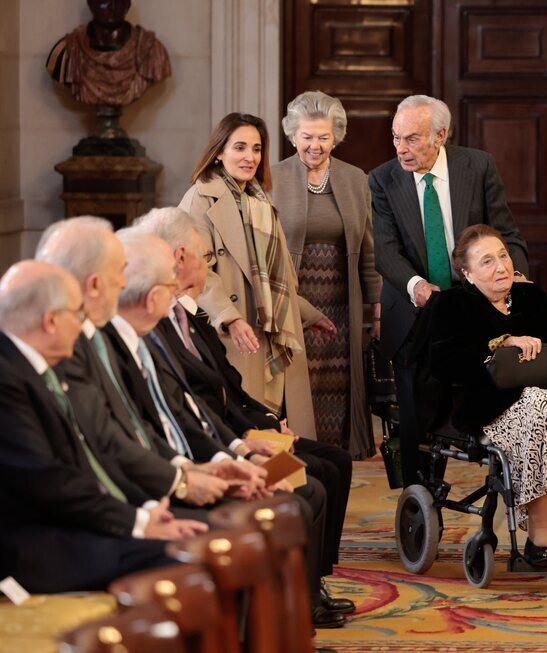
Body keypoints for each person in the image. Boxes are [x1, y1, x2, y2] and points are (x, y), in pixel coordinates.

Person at [133, 206, 356, 619]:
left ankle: (312, 586)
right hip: (213, 452)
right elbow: (183, 414)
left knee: (335, 461)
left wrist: (267, 424)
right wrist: (236, 451)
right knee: (311, 481)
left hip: (236, 435)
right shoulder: (156, 329)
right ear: (181, 257)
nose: (208, 265)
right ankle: (299, 604)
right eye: (205, 255)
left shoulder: (190, 317)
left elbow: (228, 388)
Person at [0, 260, 206, 593]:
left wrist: (145, 511)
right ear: (51, 321)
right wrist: (138, 523)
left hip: (72, 523)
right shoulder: (8, 377)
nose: (83, 326)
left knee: (200, 548)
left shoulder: (30, 367)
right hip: (34, 547)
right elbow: (48, 479)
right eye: (77, 315)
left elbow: (89, 461)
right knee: (190, 558)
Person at [426, 225, 547, 567]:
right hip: (489, 408)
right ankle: (540, 533)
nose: (501, 266)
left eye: (503, 255)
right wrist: (504, 343)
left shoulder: (532, 299)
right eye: (486, 261)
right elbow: (442, 362)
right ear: (467, 274)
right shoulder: (452, 304)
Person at [370, 95, 529, 485]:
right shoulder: (383, 179)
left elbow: (505, 232)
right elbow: (386, 253)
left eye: (411, 139)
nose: (401, 149)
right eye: (396, 138)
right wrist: (418, 287)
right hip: (413, 311)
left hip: (471, 309)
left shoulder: (476, 167)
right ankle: (419, 502)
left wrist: (515, 274)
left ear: (440, 136)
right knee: (415, 418)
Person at [38, 216, 232, 509]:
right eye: (118, 272)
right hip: (123, 504)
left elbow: (137, 425)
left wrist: (186, 470)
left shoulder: (96, 335)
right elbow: (101, 446)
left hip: (150, 485)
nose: (124, 283)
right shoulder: (70, 347)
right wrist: (170, 491)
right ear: (94, 284)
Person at [179, 113, 335, 440]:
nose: (250, 157)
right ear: (219, 151)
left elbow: (276, 276)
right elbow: (196, 270)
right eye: (240, 147)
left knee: (285, 437)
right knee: (253, 434)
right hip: (233, 332)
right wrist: (230, 318)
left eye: (257, 149)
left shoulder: (260, 200)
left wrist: (308, 313)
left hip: (271, 328)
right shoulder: (199, 198)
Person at [272, 91, 382, 459]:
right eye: (307, 137)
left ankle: (336, 460)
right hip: (292, 300)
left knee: (338, 385)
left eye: (323, 137)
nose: (315, 146)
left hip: (341, 299)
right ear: (292, 136)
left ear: (336, 136)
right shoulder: (271, 179)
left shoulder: (355, 179)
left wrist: (375, 306)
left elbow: (368, 249)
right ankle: (299, 458)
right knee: (296, 384)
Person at [46, 0, 171, 107]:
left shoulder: (151, 51)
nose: (112, 7)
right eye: (104, 0)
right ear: (91, 3)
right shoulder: (67, 52)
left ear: (128, 4)